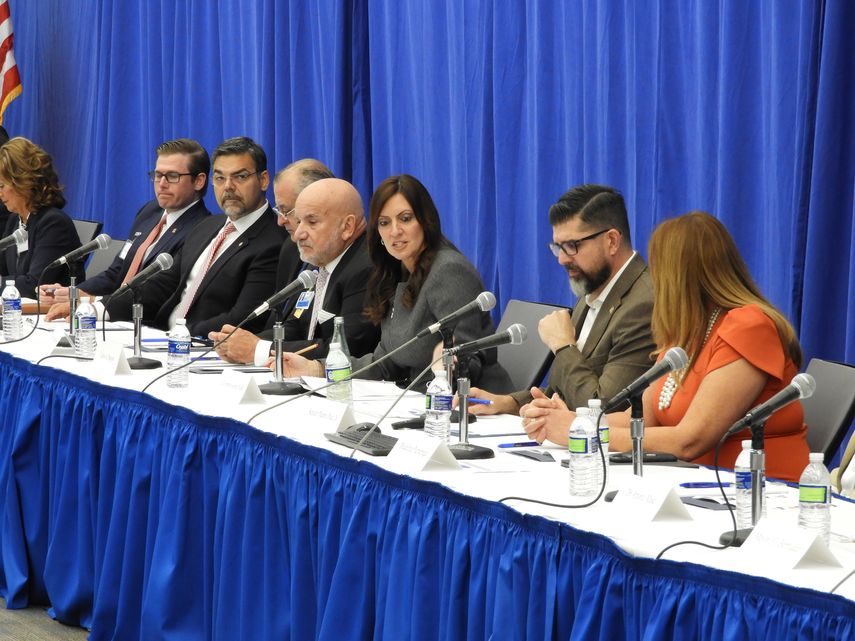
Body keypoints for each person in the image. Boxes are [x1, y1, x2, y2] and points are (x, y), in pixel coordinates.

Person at [522, 211, 809, 482]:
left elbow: (690, 440)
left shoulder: (749, 326)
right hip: (698, 485)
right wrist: (577, 420)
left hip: (766, 493)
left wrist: (581, 432)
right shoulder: (686, 333)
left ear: (677, 275)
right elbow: (640, 417)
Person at [279, 174, 513, 392]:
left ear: (426, 220)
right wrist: (317, 369)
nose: (395, 231)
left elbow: (470, 358)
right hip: (416, 404)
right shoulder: (397, 273)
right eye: (384, 222)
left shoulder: (449, 270)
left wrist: (447, 363)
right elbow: (385, 363)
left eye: (405, 219)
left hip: (474, 408)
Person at [468, 184, 654, 413]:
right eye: (558, 247)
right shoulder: (595, 289)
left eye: (572, 246)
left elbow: (604, 409)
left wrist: (563, 346)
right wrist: (508, 403)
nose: (562, 259)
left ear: (612, 241)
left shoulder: (643, 305)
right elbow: (566, 390)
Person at [104, 136, 287, 336]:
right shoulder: (206, 227)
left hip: (202, 348)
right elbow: (161, 286)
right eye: (219, 178)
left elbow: (243, 318)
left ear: (263, 180)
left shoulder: (273, 241)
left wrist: (178, 335)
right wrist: (101, 309)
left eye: (240, 177)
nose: (228, 186)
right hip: (160, 337)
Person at [208, 159, 365, 365]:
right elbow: (296, 325)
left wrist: (260, 349)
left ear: (347, 227)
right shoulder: (320, 256)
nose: (298, 233)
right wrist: (239, 343)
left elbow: (346, 349)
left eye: (311, 222)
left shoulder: (366, 267)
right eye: (298, 220)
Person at [40, 138, 211, 319]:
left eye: (173, 176)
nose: (161, 183)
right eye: (158, 175)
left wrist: (95, 303)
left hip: (145, 323)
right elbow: (118, 271)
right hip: (111, 316)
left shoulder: (201, 229)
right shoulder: (149, 212)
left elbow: (158, 292)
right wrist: (75, 293)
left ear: (198, 181)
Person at [0, 137, 85, 298]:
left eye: (2, 186)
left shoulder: (53, 224)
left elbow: (35, 284)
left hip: (55, 317)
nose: (0, 193)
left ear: (23, 181)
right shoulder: (15, 221)